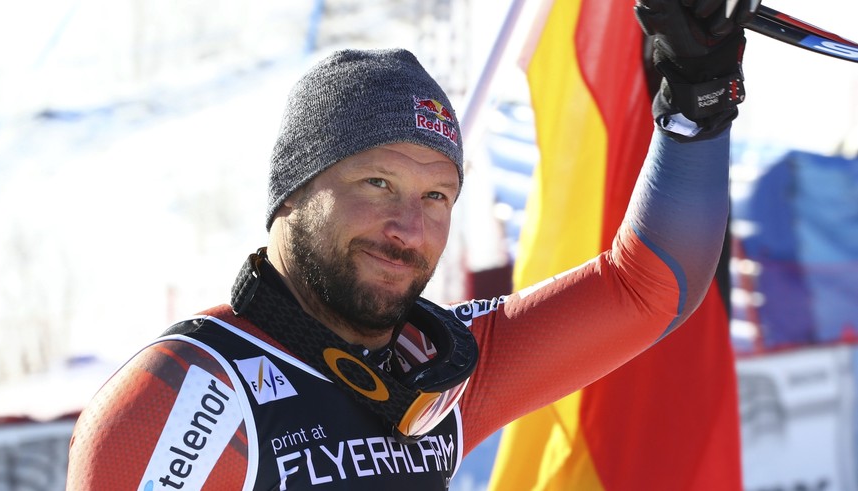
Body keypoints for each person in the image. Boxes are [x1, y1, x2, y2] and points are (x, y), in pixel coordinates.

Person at [67, 1, 758, 489]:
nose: (408, 229)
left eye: (436, 196)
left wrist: (695, 105)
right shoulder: (187, 398)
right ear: (290, 195)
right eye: (376, 182)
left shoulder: (439, 370)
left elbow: (645, 290)